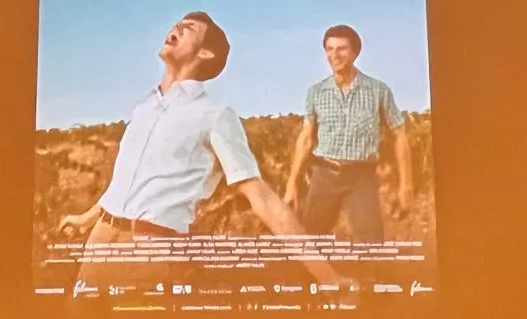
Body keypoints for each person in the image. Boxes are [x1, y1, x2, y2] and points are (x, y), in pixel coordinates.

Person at [57, 12, 347, 291]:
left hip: (151, 251)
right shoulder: (144, 109)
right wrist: (86, 218)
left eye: (189, 28)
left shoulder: (214, 115)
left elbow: (263, 199)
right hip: (98, 245)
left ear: (206, 53)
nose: (177, 28)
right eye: (177, 24)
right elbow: (126, 182)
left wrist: (327, 275)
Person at [282, 25, 413, 243]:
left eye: (341, 49)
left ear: (355, 53)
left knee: (371, 246)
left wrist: (406, 185)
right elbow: (305, 139)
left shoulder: (378, 90)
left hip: (361, 177)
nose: (334, 55)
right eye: (329, 49)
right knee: (311, 246)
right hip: (324, 175)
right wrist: (291, 184)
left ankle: (369, 277)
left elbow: (400, 135)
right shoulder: (315, 92)